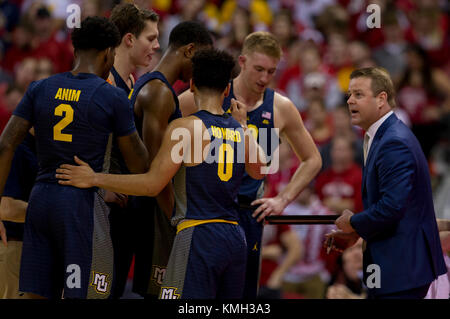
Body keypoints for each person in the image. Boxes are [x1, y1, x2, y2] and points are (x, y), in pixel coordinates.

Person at [56, 48, 268, 299]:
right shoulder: (239, 129)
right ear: (226, 90)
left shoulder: (184, 128)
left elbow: (152, 184)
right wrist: (243, 125)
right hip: (235, 237)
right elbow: (259, 171)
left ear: (191, 85)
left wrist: (94, 178)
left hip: (198, 235)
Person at [0, 17, 148, 299]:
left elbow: (5, 144)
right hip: (79, 205)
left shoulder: (39, 88)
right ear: (108, 52)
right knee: (81, 294)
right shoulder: (113, 96)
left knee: (35, 295)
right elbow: (139, 164)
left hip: (41, 201)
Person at [179, 31, 322, 298]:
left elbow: (313, 159)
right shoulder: (208, 93)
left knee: (242, 299)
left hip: (247, 215)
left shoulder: (281, 107)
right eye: (258, 69)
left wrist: (283, 199)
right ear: (242, 61)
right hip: (203, 214)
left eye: (271, 71)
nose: (264, 78)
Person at [329, 67, 447, 299]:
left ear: (381, 99)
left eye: (359, 94)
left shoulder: (394, 142)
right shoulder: (383, 135)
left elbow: (392, 207)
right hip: (394, 264)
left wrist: (352, 222)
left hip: (402, 268)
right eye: (350, 95)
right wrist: (358, 230)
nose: (350, 100)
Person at [129, 21, 213, 298]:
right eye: (201, 59)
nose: (201, 70)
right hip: (151, 209)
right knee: (161, 293)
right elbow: (155, 173)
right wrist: (175, 220)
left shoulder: (155, 87)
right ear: (190, 50)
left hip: (146, 205)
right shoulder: (160, 93)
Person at [107, 3, 160, 299]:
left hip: (126, 208)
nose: (156, 45)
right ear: (129, 39)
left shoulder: (133, 82)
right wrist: (101, 190)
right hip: (101, 209)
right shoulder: (104, 80)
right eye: (150, 39)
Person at [0, 131, 37, 299]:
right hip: (14, 247)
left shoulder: (47, 149)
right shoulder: (16, 148)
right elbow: (7, 209)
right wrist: (57, 210)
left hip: (30, 249)